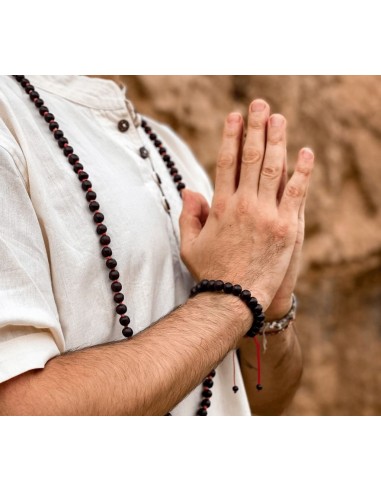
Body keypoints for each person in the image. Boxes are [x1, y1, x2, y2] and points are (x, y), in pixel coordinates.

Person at [0, 75, 314, 416]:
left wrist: (270, 310)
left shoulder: (167, 146)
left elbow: (262, 404)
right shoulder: (10, 120)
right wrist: (234, 294)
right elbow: (22, 411)